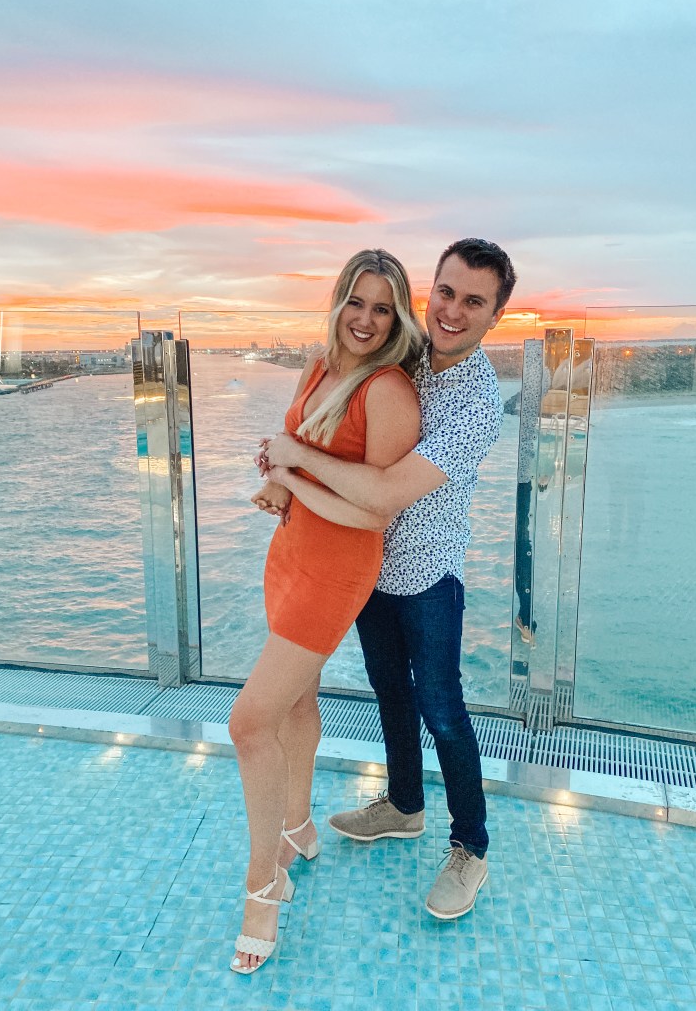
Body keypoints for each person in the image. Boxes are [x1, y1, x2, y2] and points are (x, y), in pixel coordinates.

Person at [263, 238, 516, 920]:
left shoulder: (477, 406)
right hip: (367, 566)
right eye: (446, 293)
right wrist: (285, 470)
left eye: (474, 302)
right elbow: (341, 409)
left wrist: (292, 464)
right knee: (388, 690)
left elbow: (382, 494)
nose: (453, 311)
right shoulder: (405, 356)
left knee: (442, 708)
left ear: (496, 315)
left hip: (428, 573)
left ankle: (471, 846)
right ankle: (405, 803)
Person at [228, 249, 423, 973]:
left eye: (383, 308)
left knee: (249, 722)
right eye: (356, 302)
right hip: (289, 552)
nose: (366, 320)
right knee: (296, 700)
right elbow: (299, 451)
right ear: (339, 302)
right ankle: (298, 827)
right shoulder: (318, 367)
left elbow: (374, 512)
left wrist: (293, 470)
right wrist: (279, 477)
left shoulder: (389, 390)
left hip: (336, 568)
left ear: (398, 318)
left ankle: (261, 890)